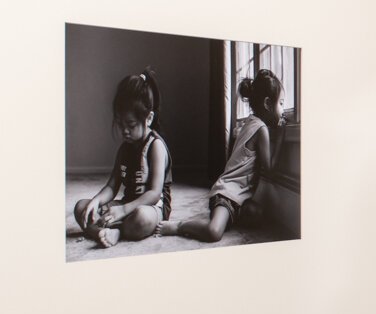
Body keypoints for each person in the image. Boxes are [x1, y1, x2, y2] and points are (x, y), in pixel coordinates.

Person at [160, 68, 283, 242]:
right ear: (268, 104)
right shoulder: (261, 130)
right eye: (281, 103)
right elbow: (269, 169)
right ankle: (180, 225)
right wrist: (281, 136)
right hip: (226, 193)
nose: (282, 109)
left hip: (240, 196)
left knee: (257, 215)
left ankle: (230, 216)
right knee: (213, 232)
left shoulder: (250, 121)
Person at [73, 68, 173, 248]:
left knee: (141, 219)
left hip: (151, 208)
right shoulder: (124, 149)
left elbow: (154, 193)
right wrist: (96, 201)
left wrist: (124, 210)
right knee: (81, 208)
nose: (124, 130)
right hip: (126, 205)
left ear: (148, 118)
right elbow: (112, 186)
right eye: (120, 124)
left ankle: (113, 230)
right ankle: (109, 231)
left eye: (131, 125)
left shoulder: (156, 146)